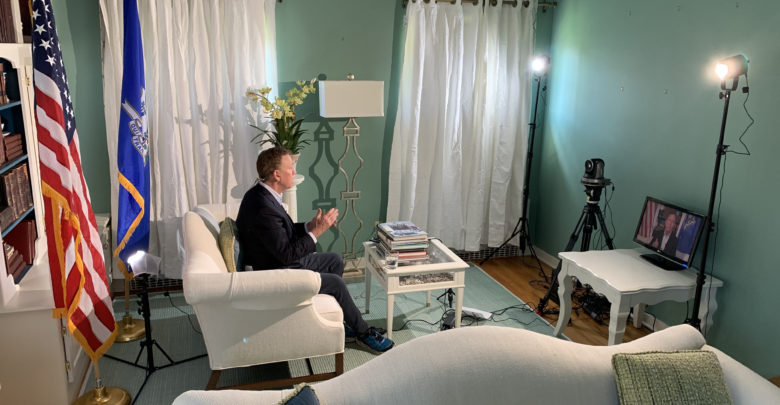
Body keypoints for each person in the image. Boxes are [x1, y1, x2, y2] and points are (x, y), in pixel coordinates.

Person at [236, 147, 393, 354]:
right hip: (276, 274)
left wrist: (309, 226)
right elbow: (286, 255)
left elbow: (281, 232)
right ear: (276, 174)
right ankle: (363, 333)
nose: (294, 172)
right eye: (290, 168)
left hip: (278, 261)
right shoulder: (262, 206)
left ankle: (333, 320)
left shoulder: (263, 195)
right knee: (335, 283)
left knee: (335, 260)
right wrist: (317, 231)